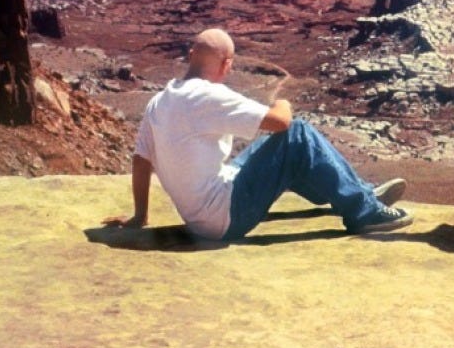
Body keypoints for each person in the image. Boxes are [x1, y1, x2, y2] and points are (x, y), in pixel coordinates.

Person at [105, 28, 412, 239]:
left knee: (276, 148)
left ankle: (349, 190)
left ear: (190, 55)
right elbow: (281, 121)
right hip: (225, 217)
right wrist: (284, 101)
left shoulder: (159, 101)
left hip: (201, 215)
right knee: (297, 134)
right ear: (227, 65)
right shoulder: (208, 96)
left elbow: (141, 160)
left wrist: (139, 216)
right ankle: (364, 211)